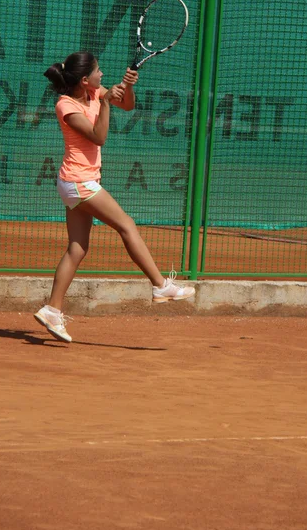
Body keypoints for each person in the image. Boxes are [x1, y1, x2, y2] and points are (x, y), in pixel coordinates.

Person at [34, 51, 195, 343]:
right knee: (127, 225)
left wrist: (127, 87)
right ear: (85, 79)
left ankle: (52, 310)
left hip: (76, 182)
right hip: (79, 182)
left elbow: (128, 106)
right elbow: (99, 136)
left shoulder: (94, 92)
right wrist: (106, 102)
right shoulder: (65, 105)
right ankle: (160, 285)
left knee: (77, 248)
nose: (102, 75)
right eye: (98, 72)